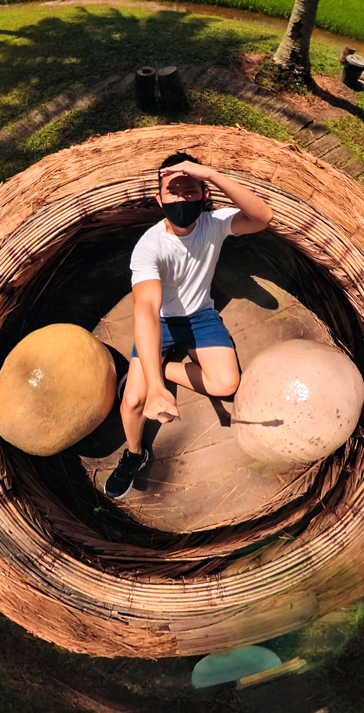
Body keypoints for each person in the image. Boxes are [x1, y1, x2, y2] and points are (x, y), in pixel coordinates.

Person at [103, 152, 273, 500]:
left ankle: (163, 368)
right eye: (173, 191)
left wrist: (211, 172)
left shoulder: (214, 223)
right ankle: (135, 453)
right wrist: (153, 387)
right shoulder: (149, 247)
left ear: (204, 194)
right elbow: (147, 310)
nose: (182, 198)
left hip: (200, 316)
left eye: (190, 190)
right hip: (161, 322)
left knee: (226, 383)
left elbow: (261, 217)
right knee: (133, 400)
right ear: (159, 199)